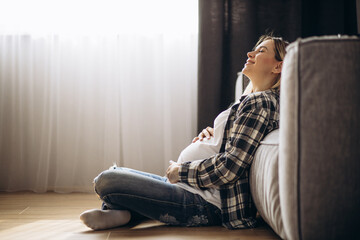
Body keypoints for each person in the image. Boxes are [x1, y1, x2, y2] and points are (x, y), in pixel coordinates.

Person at [80, 34, 289, 230]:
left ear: (278, 66)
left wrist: (180, 171)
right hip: (192, 189)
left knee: (107, 180)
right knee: (119, 174)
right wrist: (216, 133)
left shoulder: (260, 103)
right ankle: (125, 214)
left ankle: (124, 212)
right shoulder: (252, 100)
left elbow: (231, 167)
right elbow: (231, 145)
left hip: (207, 203)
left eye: (261, 51)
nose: (250, 54)